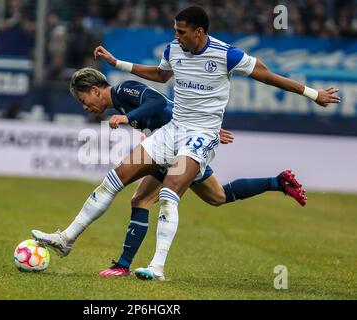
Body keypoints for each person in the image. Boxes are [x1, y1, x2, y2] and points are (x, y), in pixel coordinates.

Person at [32, 6, 340, 281]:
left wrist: (314, 94)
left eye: (181, 32)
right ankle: (67, 239)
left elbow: (268, 76)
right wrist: (118, 63)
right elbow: (160, 74)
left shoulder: (227, 54)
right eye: (174, 31)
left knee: (167, 193)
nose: (176, 37)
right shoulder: (174, 50)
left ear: (199, 31)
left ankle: (156, 267)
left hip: (201, 135)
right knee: (115, 179)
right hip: (172, 130)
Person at [67, 67, 306, 278]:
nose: (85, 106)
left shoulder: (122, 91)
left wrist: (199, 128)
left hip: (177, 147)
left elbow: (161, 103)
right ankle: (278, 182)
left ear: (95, 89)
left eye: (83, 99)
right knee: (218, 196)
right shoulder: (118, 102)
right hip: (179, 145)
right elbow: (164, 111)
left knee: (141, 199)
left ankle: (124, 265)